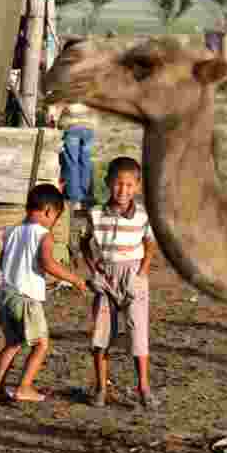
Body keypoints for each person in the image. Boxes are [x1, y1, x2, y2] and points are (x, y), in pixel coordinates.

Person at [0, 183, 88, 402]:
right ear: (48, 212)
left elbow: (2, 261)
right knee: (41, 344)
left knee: (12, 343)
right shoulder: (43, 234)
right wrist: (75, 279)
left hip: (7, 296)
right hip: (26, 300)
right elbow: (48, 263)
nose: (53, 223)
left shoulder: (10, 232)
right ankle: (24, 386)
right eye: (55, 218)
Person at [79, 157, 158, 409]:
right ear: (107, 184)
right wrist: (94, 272)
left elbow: (150, 243)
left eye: (128, 185)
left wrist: (142, 273)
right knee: (101, 336)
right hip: (106, 277)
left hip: (133, 276)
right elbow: (84, 242)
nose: (122, 190)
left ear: (137, 187)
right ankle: (101, 388)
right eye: (117, 184)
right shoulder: (96, 214)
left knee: (138, 333)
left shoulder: (143, 215)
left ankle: (144, 388)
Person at [57, 101, 98, 211]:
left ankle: (75, 197)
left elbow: (60, 112)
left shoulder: (69, 94)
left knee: (71, 162)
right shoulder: (87, 93)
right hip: (89, 127)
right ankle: (84, 196)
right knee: (86, 161)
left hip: (72, 125)